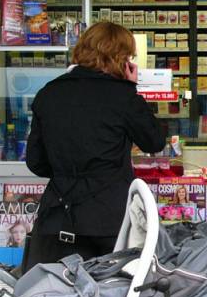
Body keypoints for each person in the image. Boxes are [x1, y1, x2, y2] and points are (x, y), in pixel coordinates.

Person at [25, 21, 164, 270]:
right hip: (109, 220)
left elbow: (36, 162)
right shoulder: (122, 96)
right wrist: (132, 89)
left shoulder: (49, 93)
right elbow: (153, 141)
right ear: (121, 59)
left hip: (58, 217)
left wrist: (68, 172)